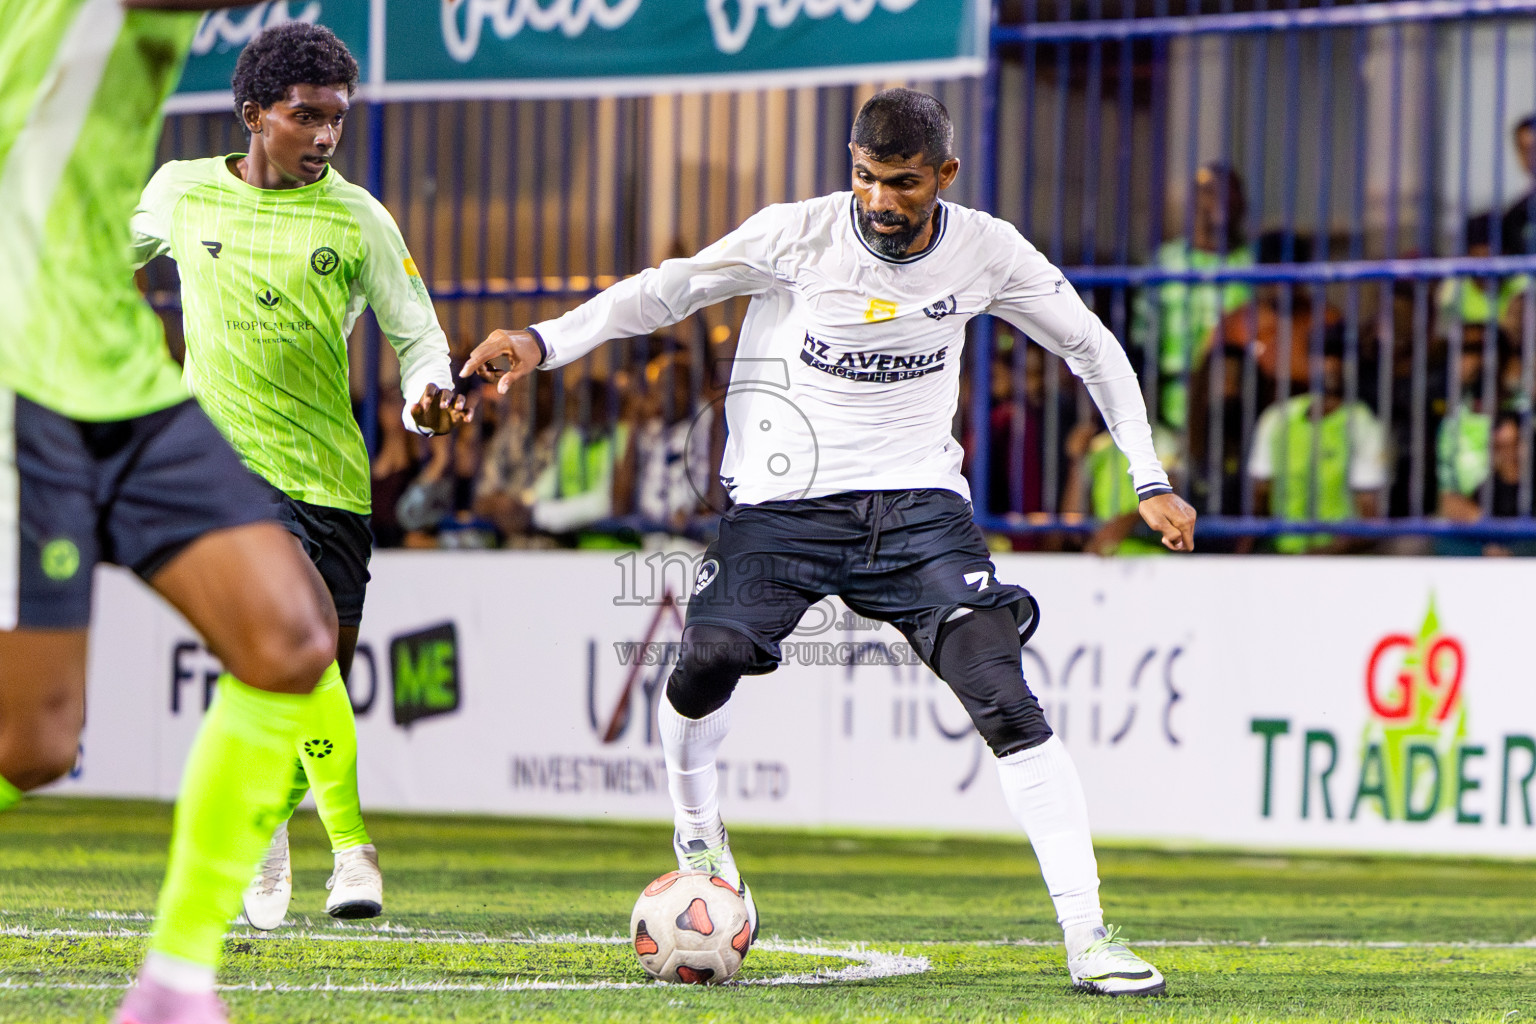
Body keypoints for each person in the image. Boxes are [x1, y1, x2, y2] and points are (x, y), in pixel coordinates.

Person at [466, 88, 1195, 997]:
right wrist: (545, 341)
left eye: (904, 184)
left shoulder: (987, 249)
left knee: (1002, 693)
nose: (882, 201)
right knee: (708, 659)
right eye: (867, 178)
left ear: (945, 177)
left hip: (919, 509)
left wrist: (1149, 477)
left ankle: (1090, 938)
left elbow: (1092, 347)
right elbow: (668, 288)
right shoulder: (798, 234)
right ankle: (699, 836)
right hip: (784, 505)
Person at [0, 3, 367, 1023]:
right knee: (31, 744)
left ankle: (174, 986)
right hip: (19, 374)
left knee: (291, 638)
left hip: (120, 370)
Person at [130, 21, 468, 931]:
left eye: (337, 120)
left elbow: (419, 338)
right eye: (304, 116)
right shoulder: (180, 194)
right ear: (253, 115)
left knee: (308, 681)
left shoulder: (356, 216)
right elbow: (94, 265)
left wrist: (428, 397)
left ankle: (265, 826)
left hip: (331, 479)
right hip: (227, 473)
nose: (324, 136)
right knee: (301, 643)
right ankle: (353, 852)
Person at [1132, 162, 1255, 430]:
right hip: (1171, 411)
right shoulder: (1165, 263)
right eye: (1210, 191)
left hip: (1237, 414)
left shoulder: (1254, 265)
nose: (1221, 200)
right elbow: (1141, 343)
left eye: (1230, 192)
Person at [1246, 328, 1388, 553]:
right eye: (1322, 355)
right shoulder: (1276, 418)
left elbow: (1370, 517)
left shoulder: (1364, 425)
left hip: (1341, 562)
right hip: (1279, 558)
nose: (1331, 364)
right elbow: (1258, 496)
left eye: (1339, 356)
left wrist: (1320, 556)